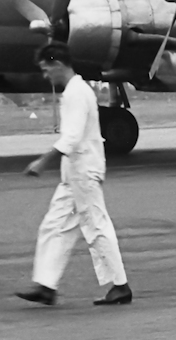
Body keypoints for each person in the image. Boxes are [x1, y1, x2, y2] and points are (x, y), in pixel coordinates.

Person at [17, 45, 132, 307]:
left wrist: (42, 162)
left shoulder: (76, 93)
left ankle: (121, 286)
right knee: (54, 225)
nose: (46, 76)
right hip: (73, 176)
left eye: (47, 70)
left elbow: (71, 137)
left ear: (58, 64)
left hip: (83, 174)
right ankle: (46, 286)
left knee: (97, 227)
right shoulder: (74, 92)